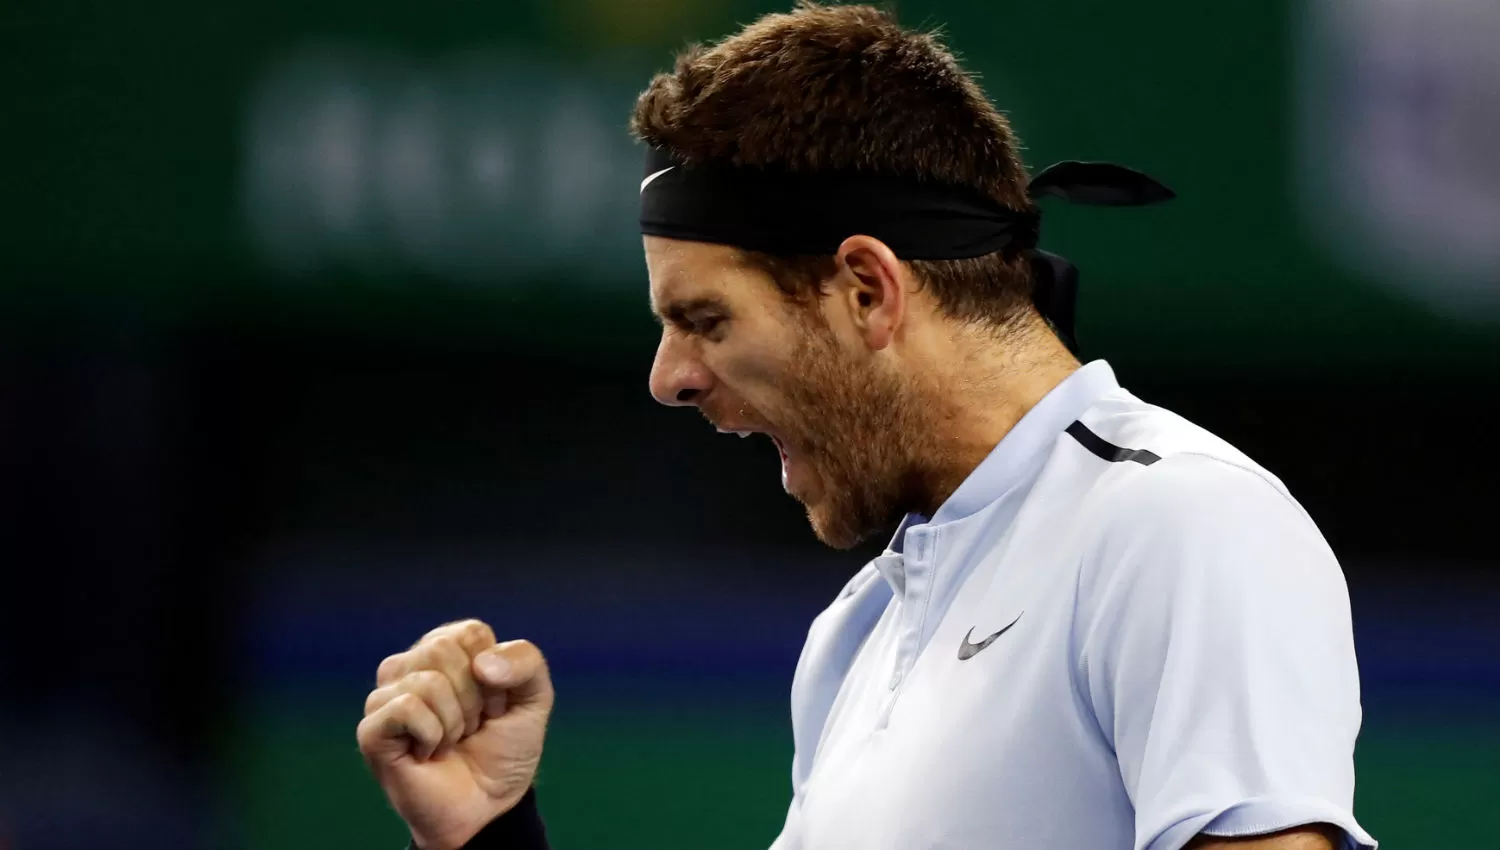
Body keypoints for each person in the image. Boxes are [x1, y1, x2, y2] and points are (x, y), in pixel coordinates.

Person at [356, 5, 1376, 849]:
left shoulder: (1180, 526)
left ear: (867, 289)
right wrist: (488, 836)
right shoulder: (853, 633)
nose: (670, 378)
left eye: (705, 319)